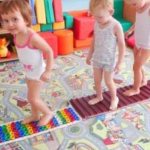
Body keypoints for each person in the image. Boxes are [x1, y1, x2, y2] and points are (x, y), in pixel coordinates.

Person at [0, 0, 54, 126]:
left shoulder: (32, 37)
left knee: (32, 98)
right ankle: (35, 115)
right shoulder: (16, 34)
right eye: (6, 20)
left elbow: (49, 51)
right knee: (31, 95)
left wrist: (48, 71)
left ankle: (48, 113)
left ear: (25, 19)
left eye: (14, 19)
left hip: (38, 73)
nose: (10, 24)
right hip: (29, 72)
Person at [86, 0, 125, 110]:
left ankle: (114, 98)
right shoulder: (97, 23)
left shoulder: (116, 25)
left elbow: (122, 45)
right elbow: (94, 40)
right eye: (95, 17)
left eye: (100, 17)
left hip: (109, 60)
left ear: (111, 12)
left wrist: (120, 63)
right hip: (97, 58)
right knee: (96, 80)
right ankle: (99, 96)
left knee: (108, 81)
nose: (97, 20)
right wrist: (89, 55)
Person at [124, 0, 150, 96]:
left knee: (136, 67)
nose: (133, 7)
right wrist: (130, 30)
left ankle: (136, 89)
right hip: (138, 41)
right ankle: (143, 79)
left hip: (147, 45)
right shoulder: (139, 8)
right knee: (137, 64)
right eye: (131, 5)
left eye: (134, 4)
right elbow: (138, 21)